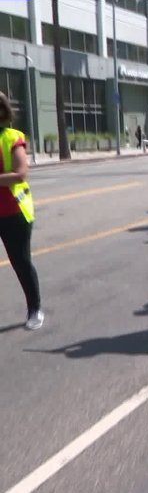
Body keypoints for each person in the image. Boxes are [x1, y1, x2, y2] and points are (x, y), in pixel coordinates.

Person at [0, 92, 42, 330]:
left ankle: (34, 307)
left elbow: (20, 173)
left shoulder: (13, 138)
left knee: (21, 262)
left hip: (14, 212)